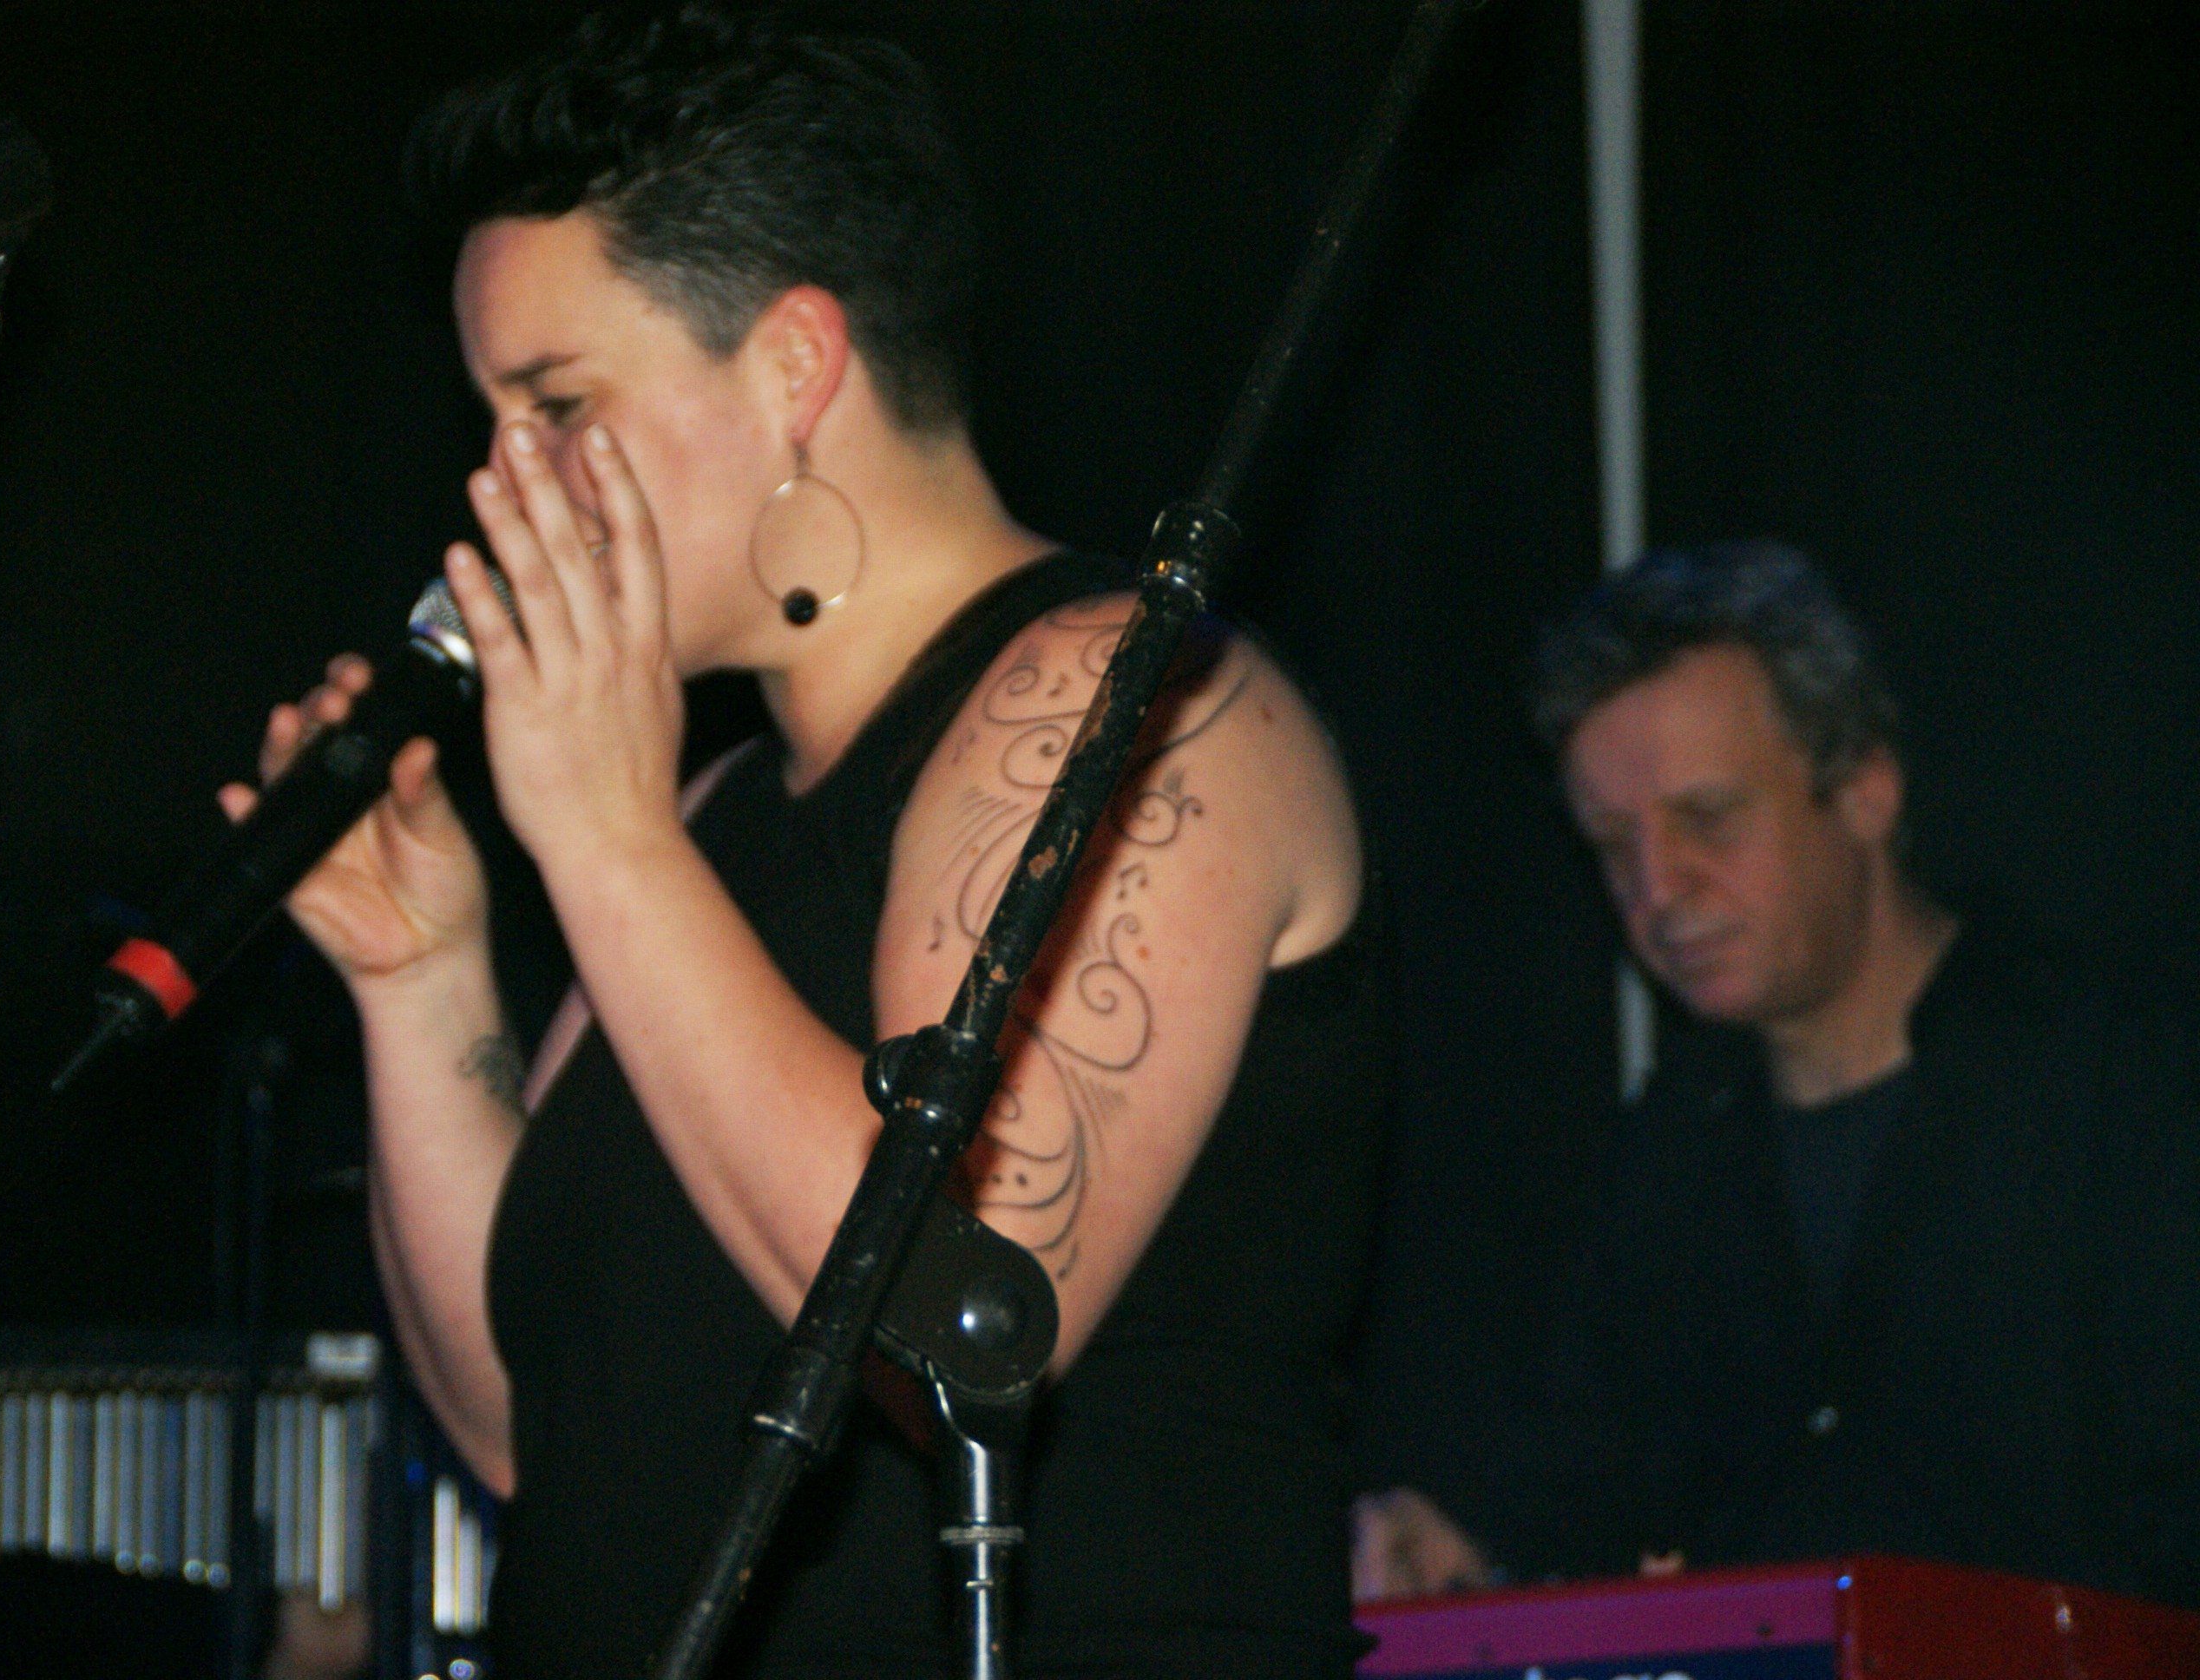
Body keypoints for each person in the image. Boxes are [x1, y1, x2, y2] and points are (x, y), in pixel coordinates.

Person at [223, 8, 1382, 1674]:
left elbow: (955, 1327)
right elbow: (535, 1431)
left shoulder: (1135, 706)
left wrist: (605, 841)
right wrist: (421, 977)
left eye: (556, 403)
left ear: (792, 369)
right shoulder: (710, 812)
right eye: (490, 419)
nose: (503, 484)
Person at [1356, 542, 2200, 1609]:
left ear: (1864, 790)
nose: (1656, 888)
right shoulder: (1670, 1150)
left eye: (1706, 817)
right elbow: (1580, 1506)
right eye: (1611, 843)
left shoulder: (2117, 1083)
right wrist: (1467, 1565)